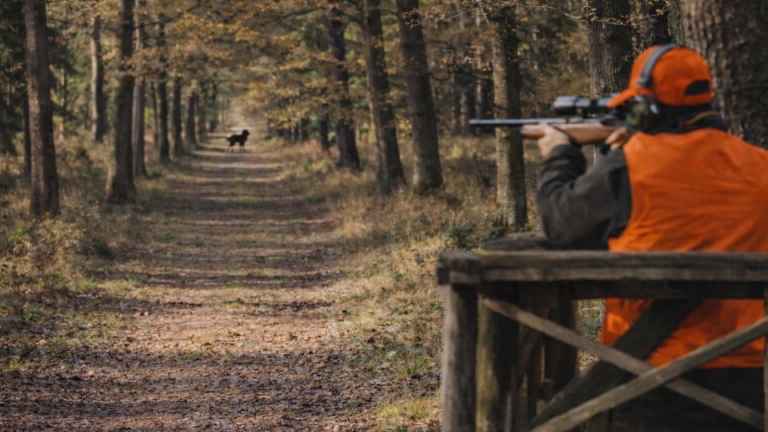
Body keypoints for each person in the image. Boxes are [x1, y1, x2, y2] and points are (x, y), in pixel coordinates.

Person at [535, 45, 768, 431]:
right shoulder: (760, 166)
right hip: (744, 376)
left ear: (646, 107)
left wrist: (561, 153)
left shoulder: (630, 166)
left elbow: (560, 223)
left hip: (640, 373)